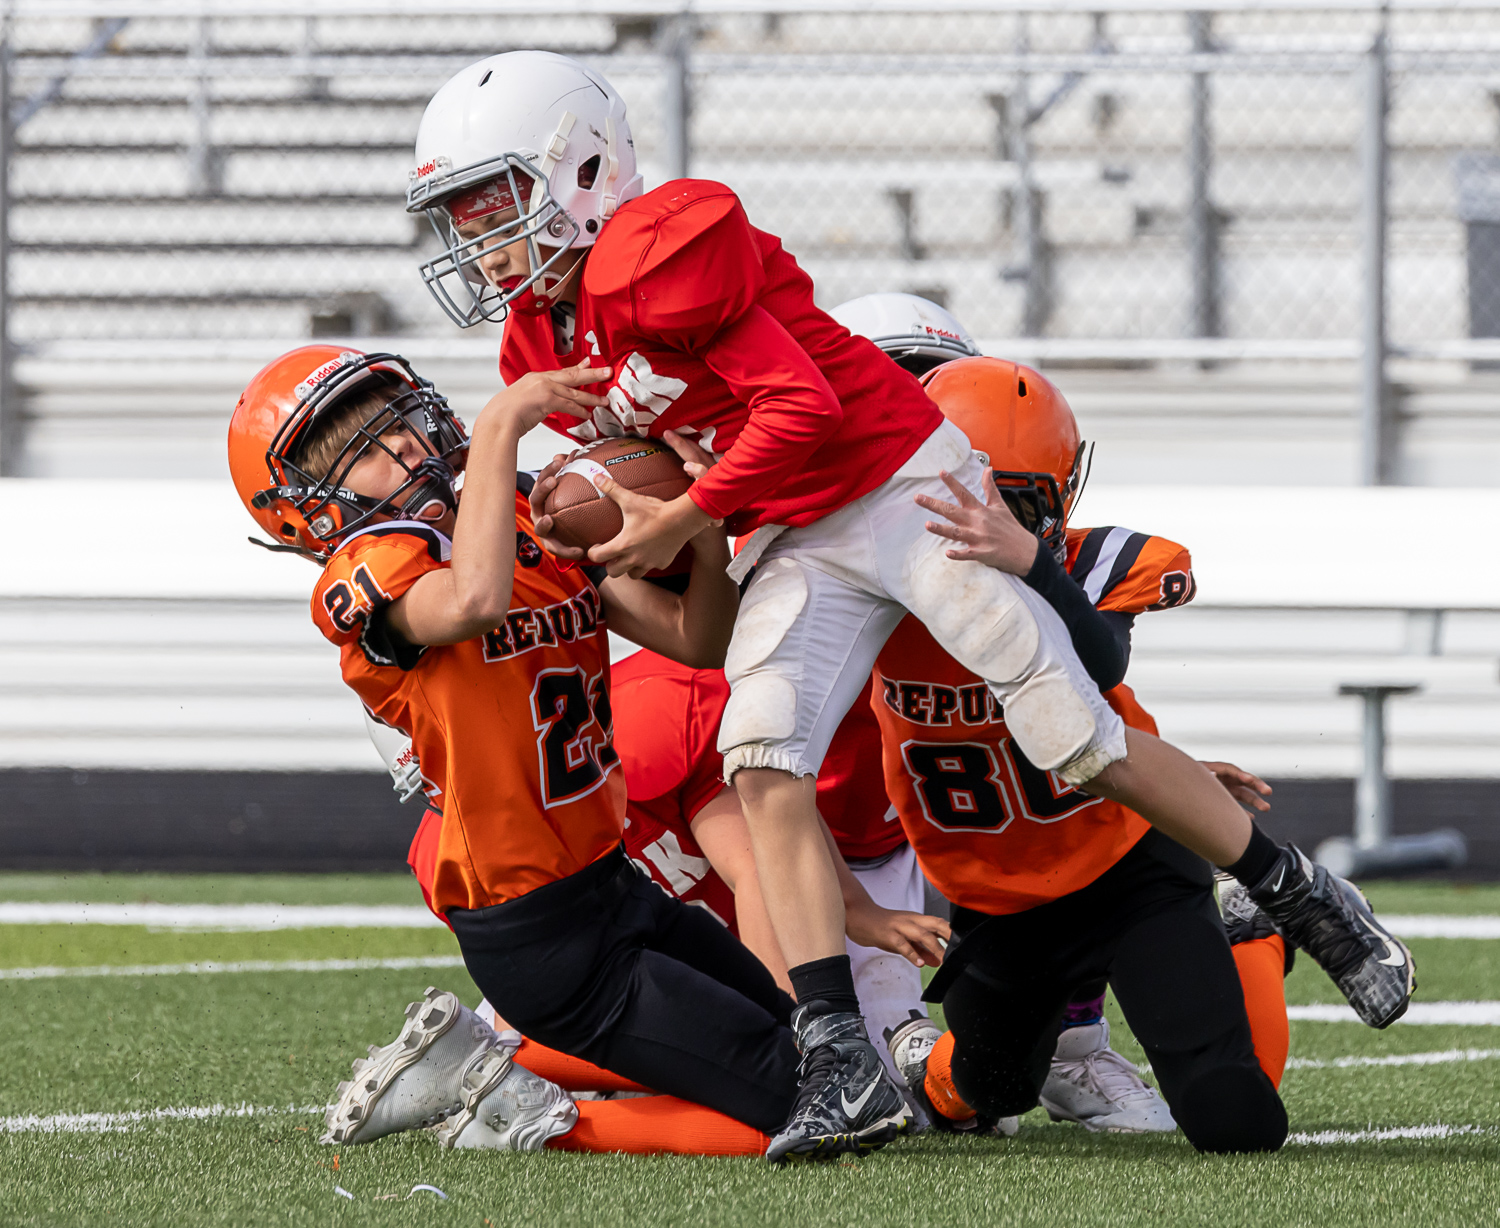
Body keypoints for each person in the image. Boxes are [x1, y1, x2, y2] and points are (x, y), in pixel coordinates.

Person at [402, 50, 1414, 1160]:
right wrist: (597, 508)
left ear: (580, 170)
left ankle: (1298, 890)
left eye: (491, 204)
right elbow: (664, 457)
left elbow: (799, 405)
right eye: (461, 214)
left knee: (1070, 729)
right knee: (762, 756)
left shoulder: (662, 251)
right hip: (794, 522)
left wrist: (688, 510)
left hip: (894, 480)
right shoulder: (538, 338)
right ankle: (840, 1052)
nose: (479, 239)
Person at [229, 344, 804, 1157]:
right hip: (536, 930)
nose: (408, 453)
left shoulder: (526, 520)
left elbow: (698, 638)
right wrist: (503, 424)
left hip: (613, 881)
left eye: (403, 430)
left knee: (813, 1046)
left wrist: (701, 530)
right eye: (368, 454)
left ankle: (476, 1061)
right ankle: (513, 1117)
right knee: (799, 1104)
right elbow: (473, 598)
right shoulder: (363, 571)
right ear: (308, 508)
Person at [880, 357, 1300, 1152]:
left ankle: (1252, 932)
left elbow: (1098, 667)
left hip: (1126, 862)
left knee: (1234, 1121)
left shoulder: (1087, 565)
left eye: (1012, 504)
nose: (981, 522)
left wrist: (1033, 562)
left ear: (1058, 498)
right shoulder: (870, 579)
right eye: (962, 494)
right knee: (982, 1094)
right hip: (998, 894)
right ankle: (920, 1063)